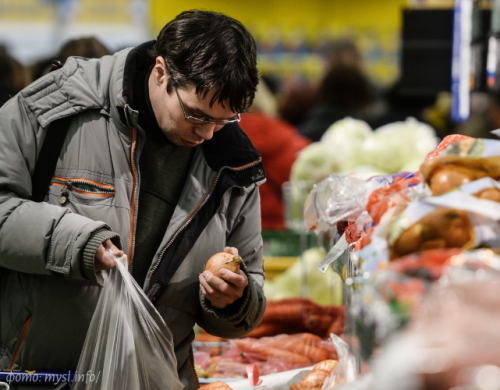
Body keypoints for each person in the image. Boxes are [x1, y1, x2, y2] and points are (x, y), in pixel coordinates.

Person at [0, 10, 266, 390]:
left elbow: (250, 293)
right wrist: (76, 243)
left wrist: (233, 301)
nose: (207, 134)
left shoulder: (232, 166)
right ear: (161, 72)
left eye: (224, 120)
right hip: (38, 377)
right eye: (195, 115)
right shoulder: (55, 108)